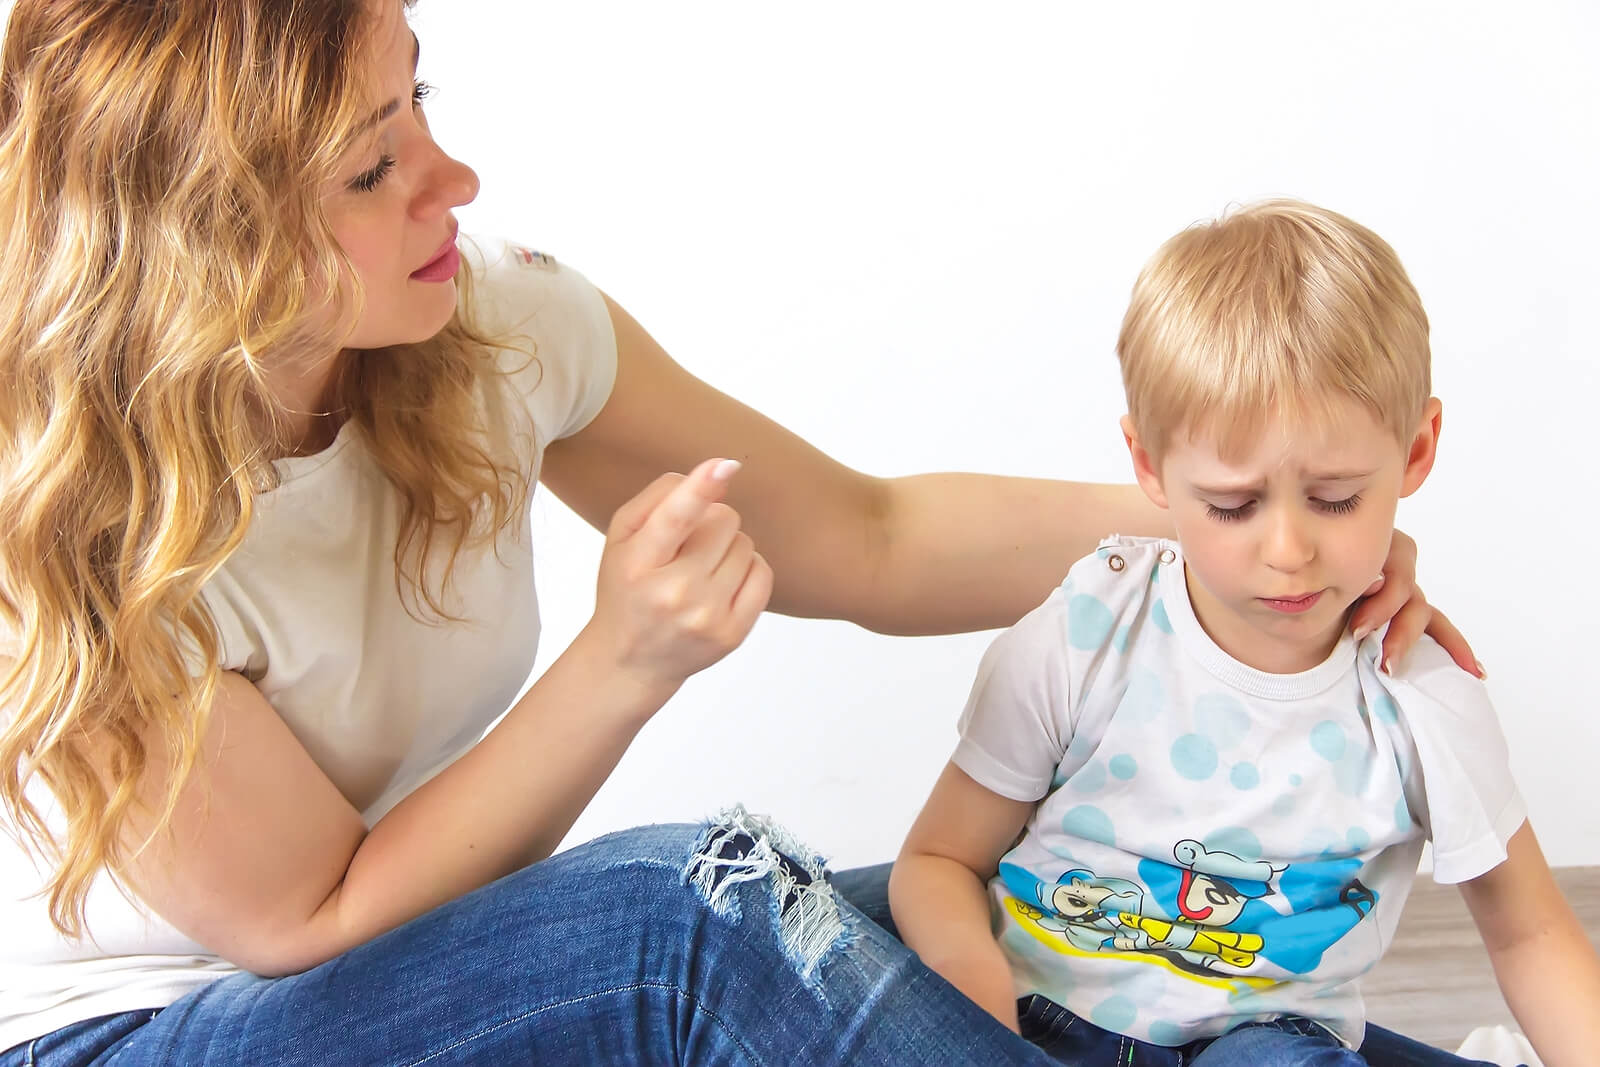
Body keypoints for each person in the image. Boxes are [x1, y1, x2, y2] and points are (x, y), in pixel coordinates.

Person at [0, 1, 1479, 1063]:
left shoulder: (483, 321)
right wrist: (622, 661)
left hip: (438, 961)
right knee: (693, 914)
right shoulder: (62, 517)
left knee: (1011, 913)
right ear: (212, 238)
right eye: (372, 169)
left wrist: (1238, 535)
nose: (452, 179)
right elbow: (313, 920)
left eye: (419, 103)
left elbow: (871, 534)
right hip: (142, 1028)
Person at [889, 199, 1600, 1065]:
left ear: (1417, 452)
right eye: (1233, 505)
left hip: (1266, 1042)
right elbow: (939, 858)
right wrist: (974, 1011)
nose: (1288, 551)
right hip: (1040, 1015)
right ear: (1149, 466)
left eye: (1337, 498)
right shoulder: (1087, 635)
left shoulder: (1421, 698)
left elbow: (1531, 934)